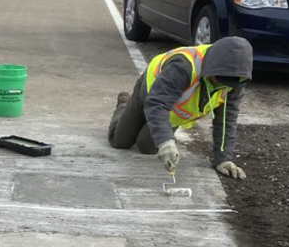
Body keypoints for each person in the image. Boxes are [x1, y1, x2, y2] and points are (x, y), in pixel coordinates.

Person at [108, 36, 253, 179]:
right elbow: (156, 103)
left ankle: (152, 124)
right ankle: (124, 105)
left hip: (171, 111)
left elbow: (227, 119)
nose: (220, 86)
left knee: (147, 147)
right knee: (120, 141)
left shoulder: (235, 81)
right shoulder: (183, 66)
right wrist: (166, 142)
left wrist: (223, 158)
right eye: (218, 80)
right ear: (211, 67)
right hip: (149, 91)